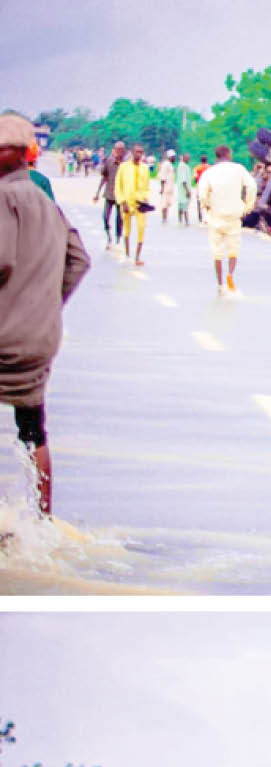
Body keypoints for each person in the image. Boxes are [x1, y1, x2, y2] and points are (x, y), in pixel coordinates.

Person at [0, 113, 91, 517]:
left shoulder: (3, 197)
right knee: (33, 432)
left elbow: (1, 259)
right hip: (40, 340)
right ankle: (42, 520)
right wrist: (44, 306)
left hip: (2, 336)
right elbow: (79, 260)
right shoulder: (46, 203)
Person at [198, 145, 257, 295]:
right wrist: (247, 206)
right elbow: (252, 186)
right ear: (228, 154)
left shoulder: (209, 173)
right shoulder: (239, 169)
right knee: (233, 250)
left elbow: (202, 193)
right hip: (234, 217)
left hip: (216, 217)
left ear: (216, 155)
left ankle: (220, 284)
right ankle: (230, 274)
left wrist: (207, 206)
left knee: (217, 253)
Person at [114, 144, 152, 266]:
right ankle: (127, 254)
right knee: (126, 230)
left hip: (140, 203)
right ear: (132, 152)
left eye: (141, 152)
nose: (139, 154)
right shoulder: (124, 167)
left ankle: (137, 257)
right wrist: (122, 202)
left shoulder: (145, 168)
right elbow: (118, 187)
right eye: (137, 152)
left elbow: (146, 187)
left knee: (141, 228)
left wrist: (145, 200)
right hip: (126, 202)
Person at [93, 140, 125, 248]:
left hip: (121, 196)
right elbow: (104, 177)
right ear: (114, 150)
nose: (119, 152)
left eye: (121, 150)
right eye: (117, 149)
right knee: (105, 217)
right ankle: (109, 237)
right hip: (109, 194)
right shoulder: (109, 161)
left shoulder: (126, 165)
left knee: (119, 218)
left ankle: (118, 238)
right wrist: (97, 192)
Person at [158, 149, 176, 223]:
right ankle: (164, 218)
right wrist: (162, 188)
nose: (174, 158)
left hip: (170, 187)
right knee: (164, 204)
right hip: (166, 188)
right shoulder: (166, 164)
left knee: (167, 204)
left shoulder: (170, 164)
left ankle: (165, 218)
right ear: (170, 157)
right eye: (173, 157)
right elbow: (163, 176)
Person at [175, 152, 192, 225]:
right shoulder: (182, 166)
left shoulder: (184, 166)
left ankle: (180, 221)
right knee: (184, 207)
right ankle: (186, 222)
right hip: (184, 190)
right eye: (187, 158)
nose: (188, 159)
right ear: (184, 158)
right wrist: (187, 190)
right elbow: (183, 180)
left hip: (182, 190)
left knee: (181, 206)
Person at [193, 153, 210, 223]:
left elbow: (195, 178)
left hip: (200, 186)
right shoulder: (210, 167)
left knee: (199, 202)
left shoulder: (197, 168)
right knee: (209, 202)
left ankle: (200, 218)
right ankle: (208, 217)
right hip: (208, 187)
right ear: (206, 160)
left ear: (200, 160)